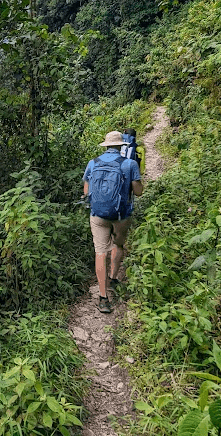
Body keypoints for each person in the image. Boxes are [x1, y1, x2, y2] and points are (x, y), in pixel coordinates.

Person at [82, 131, 144, 313]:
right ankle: (113, 278)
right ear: (122, 146)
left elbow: (86, 191)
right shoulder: (130, 164)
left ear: (106, 145)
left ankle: (103, 297)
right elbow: (138, 192)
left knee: (100, 252)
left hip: (98, 215)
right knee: (118, 244)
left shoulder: (93, 163)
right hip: (121, 216)